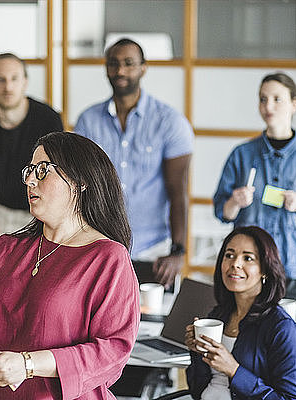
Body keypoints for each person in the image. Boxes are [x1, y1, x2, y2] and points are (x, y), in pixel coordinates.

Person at [0, 132, 140, 399]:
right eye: (29, 171)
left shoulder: (108, 258)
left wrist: (28, 365)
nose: (30, 180)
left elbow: (113, 352)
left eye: (43, 170)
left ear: (80, 181)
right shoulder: (5, 250)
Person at [75, 38, 194, 289]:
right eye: (113, 64)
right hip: (102, 245)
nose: (120, 71)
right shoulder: (88, 121)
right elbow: (78, 188)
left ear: (143, 68)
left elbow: (178, 191)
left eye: (129, 63)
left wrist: (178, 251)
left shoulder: (169, 122)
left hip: (154, 251)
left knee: (154, 326)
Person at [213, 72, 296, 302]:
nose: (268, 105)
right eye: (263, 99)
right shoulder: (242, 154)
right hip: (251, 272)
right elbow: (222, 212)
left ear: (294, 104)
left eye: (277, 99)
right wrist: (234, 202)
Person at [184, 226, 296, 400]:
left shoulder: (281, 327)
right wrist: (196, 352)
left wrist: (234, 370)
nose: (235, 264)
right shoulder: (217, 316)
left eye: (248, 258)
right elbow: (197, 389)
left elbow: (291, 398)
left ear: (265, 269)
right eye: (229, 255)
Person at [0, 53, 63, 241]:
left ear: (25, 82)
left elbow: (56, 178)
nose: (8, 87)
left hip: (37, 214)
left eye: (14, 79)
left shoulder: (48, 119)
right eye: (0, 80)